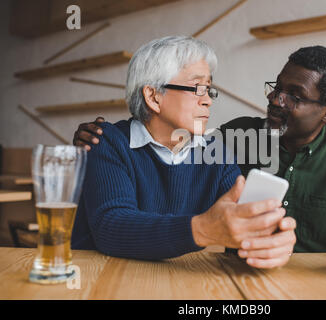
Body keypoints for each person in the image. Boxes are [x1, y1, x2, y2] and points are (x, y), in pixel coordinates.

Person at [74, 44, 326, 274]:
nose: (276, 99)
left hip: (299, 281)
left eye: (294, 96)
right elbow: (121, 210)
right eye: (277, 87)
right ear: (153, 95)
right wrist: (101, 139)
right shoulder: (231, 140)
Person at [71, 36, 297, 268]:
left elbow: (241, 218)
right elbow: (111, 227)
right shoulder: (106, 140)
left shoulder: (216, 152)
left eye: (209, 90)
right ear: (153, 96)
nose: (208, 100)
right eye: (197, 88)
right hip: (102, 279)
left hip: (179, 282)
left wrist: (271, 238)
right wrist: (202, 229)